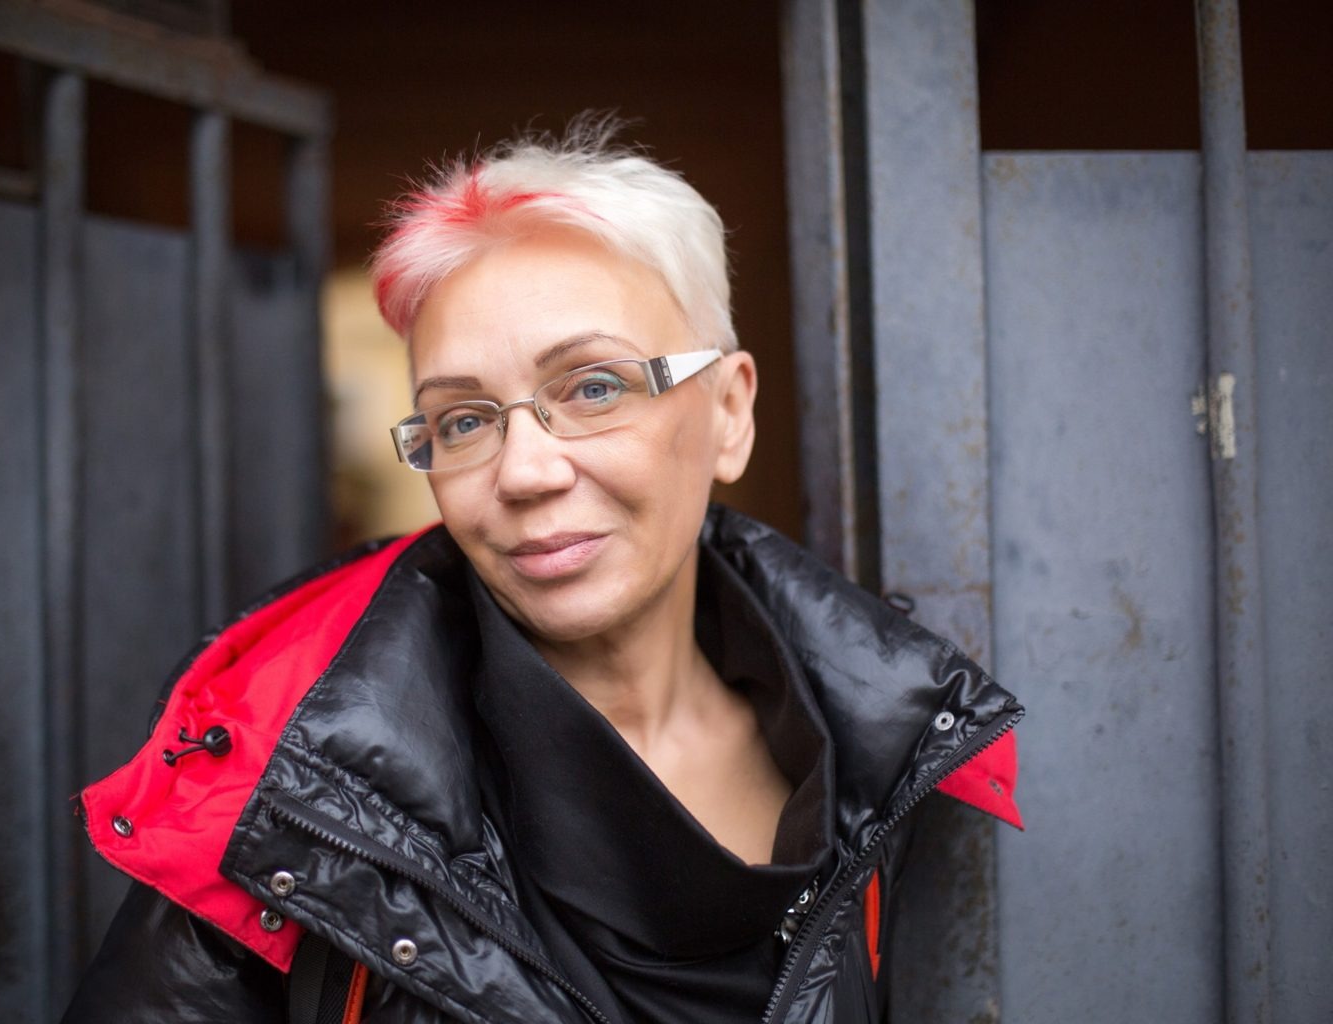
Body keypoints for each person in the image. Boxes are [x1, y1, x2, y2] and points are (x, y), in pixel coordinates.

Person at [63, 119, 1023, 1024]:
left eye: (594, 387)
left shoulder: (881, 739)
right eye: (463, 420)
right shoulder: (294, 797)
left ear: (729, 413)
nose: (524, 472)